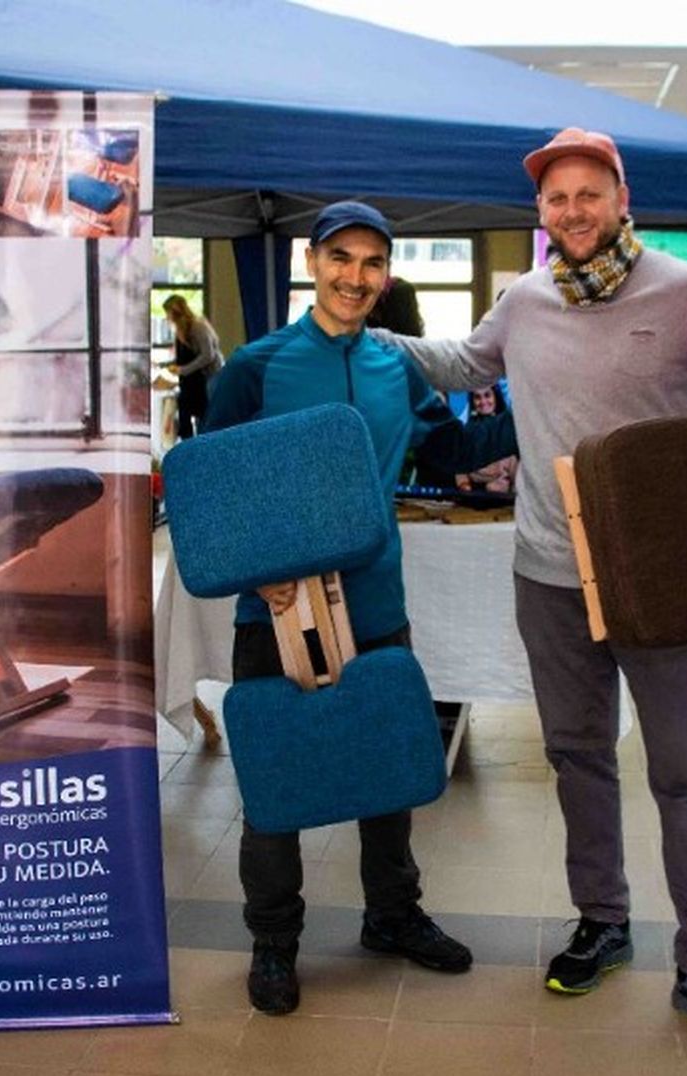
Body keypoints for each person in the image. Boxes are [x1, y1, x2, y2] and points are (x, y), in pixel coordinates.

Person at [373, 129, 687, 1056]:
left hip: (661, 582)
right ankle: (602, 920)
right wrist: (370, 330)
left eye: (587, 194)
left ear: (619, 197)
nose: (572, 211)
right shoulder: (522, 301)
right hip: (549, 575)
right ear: (542, 213)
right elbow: (462, 363)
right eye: (555, 199)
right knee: (577, 756)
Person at [202, 200, 517, 1015]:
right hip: (271, 612)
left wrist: (525, 401)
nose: (356, 276)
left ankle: (393, 914)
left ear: (387, 275)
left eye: (373, 263)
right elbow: (214, 483)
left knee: (385, 769)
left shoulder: (396, 367)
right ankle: (274, 941)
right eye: (341, 257)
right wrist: (257, 570)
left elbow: (447, 454)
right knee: (276, 780)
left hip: (376, 604)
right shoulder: (255, 367)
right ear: (313, 262)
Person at [163, 294, 223, 439]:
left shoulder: (198, 327)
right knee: (190, 410)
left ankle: (204, 446)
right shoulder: (181, 330)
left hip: (209, 377)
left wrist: (183, 370)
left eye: (168, 313)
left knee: (205, 416)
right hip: (196, 379)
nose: (167, 317)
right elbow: (184, 357)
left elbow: (208, 356)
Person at [455, 386, 518, 494]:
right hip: (476, 494)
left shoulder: (509, 426)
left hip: (509, 493)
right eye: (477, 397)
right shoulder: (467, 431)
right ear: (473, 402)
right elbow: (461, 470)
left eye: (487, 395)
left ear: (496, 397)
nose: (483, 401)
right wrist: (464, 485)